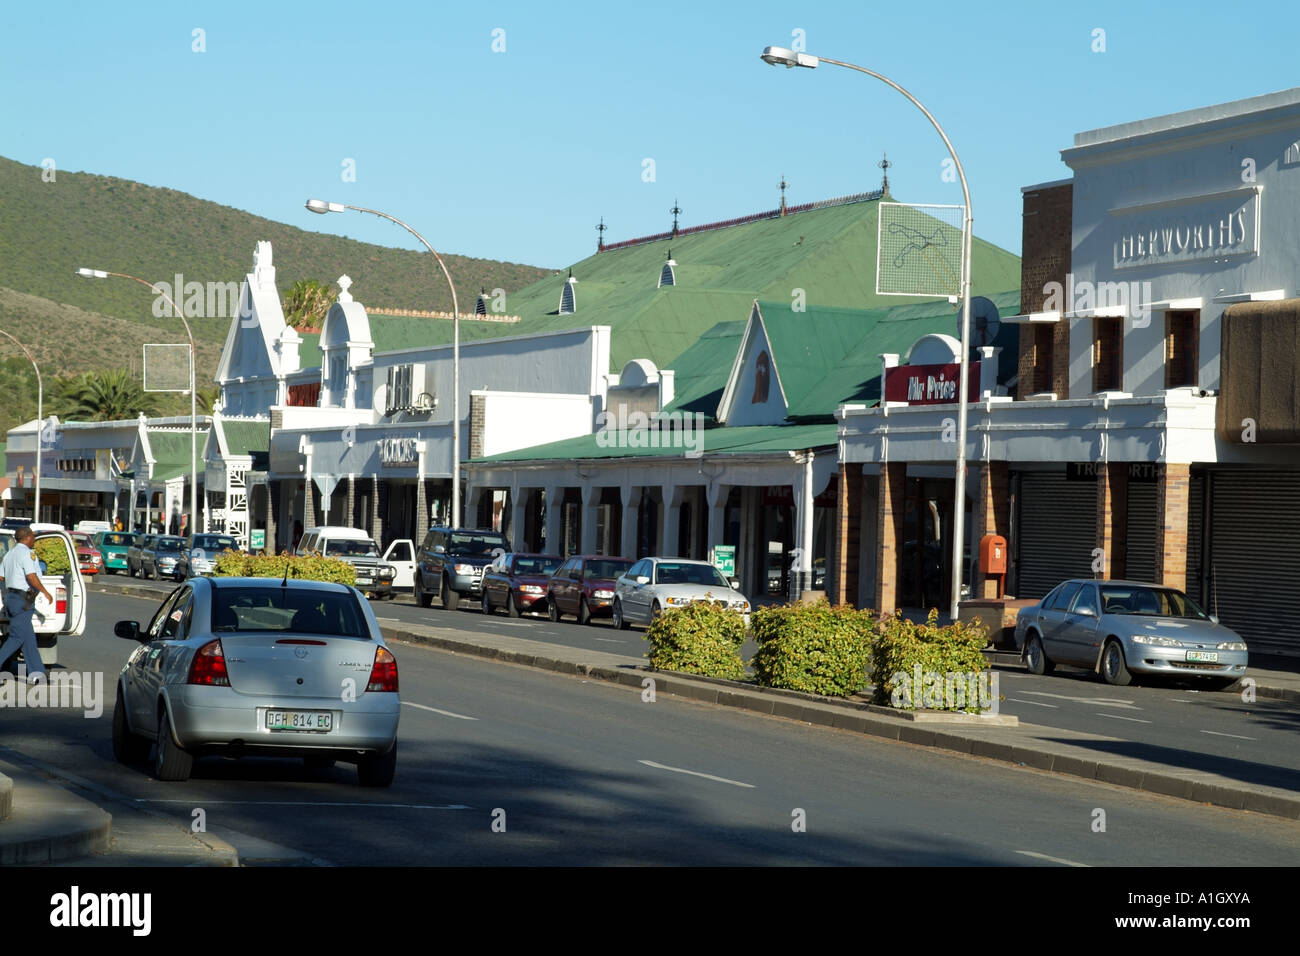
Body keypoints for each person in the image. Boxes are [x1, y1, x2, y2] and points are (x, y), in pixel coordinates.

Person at [0, 527, 52, 682]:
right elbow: (31, 576)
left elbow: (1, 578)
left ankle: (37, 674)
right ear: (28, 537)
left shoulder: (9, 554)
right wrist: (45, 592)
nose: (34, 539)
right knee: (17, 637)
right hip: (22, 600)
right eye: (33, 536)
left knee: (28, 638)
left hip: (11, 598)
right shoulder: (26, 554)